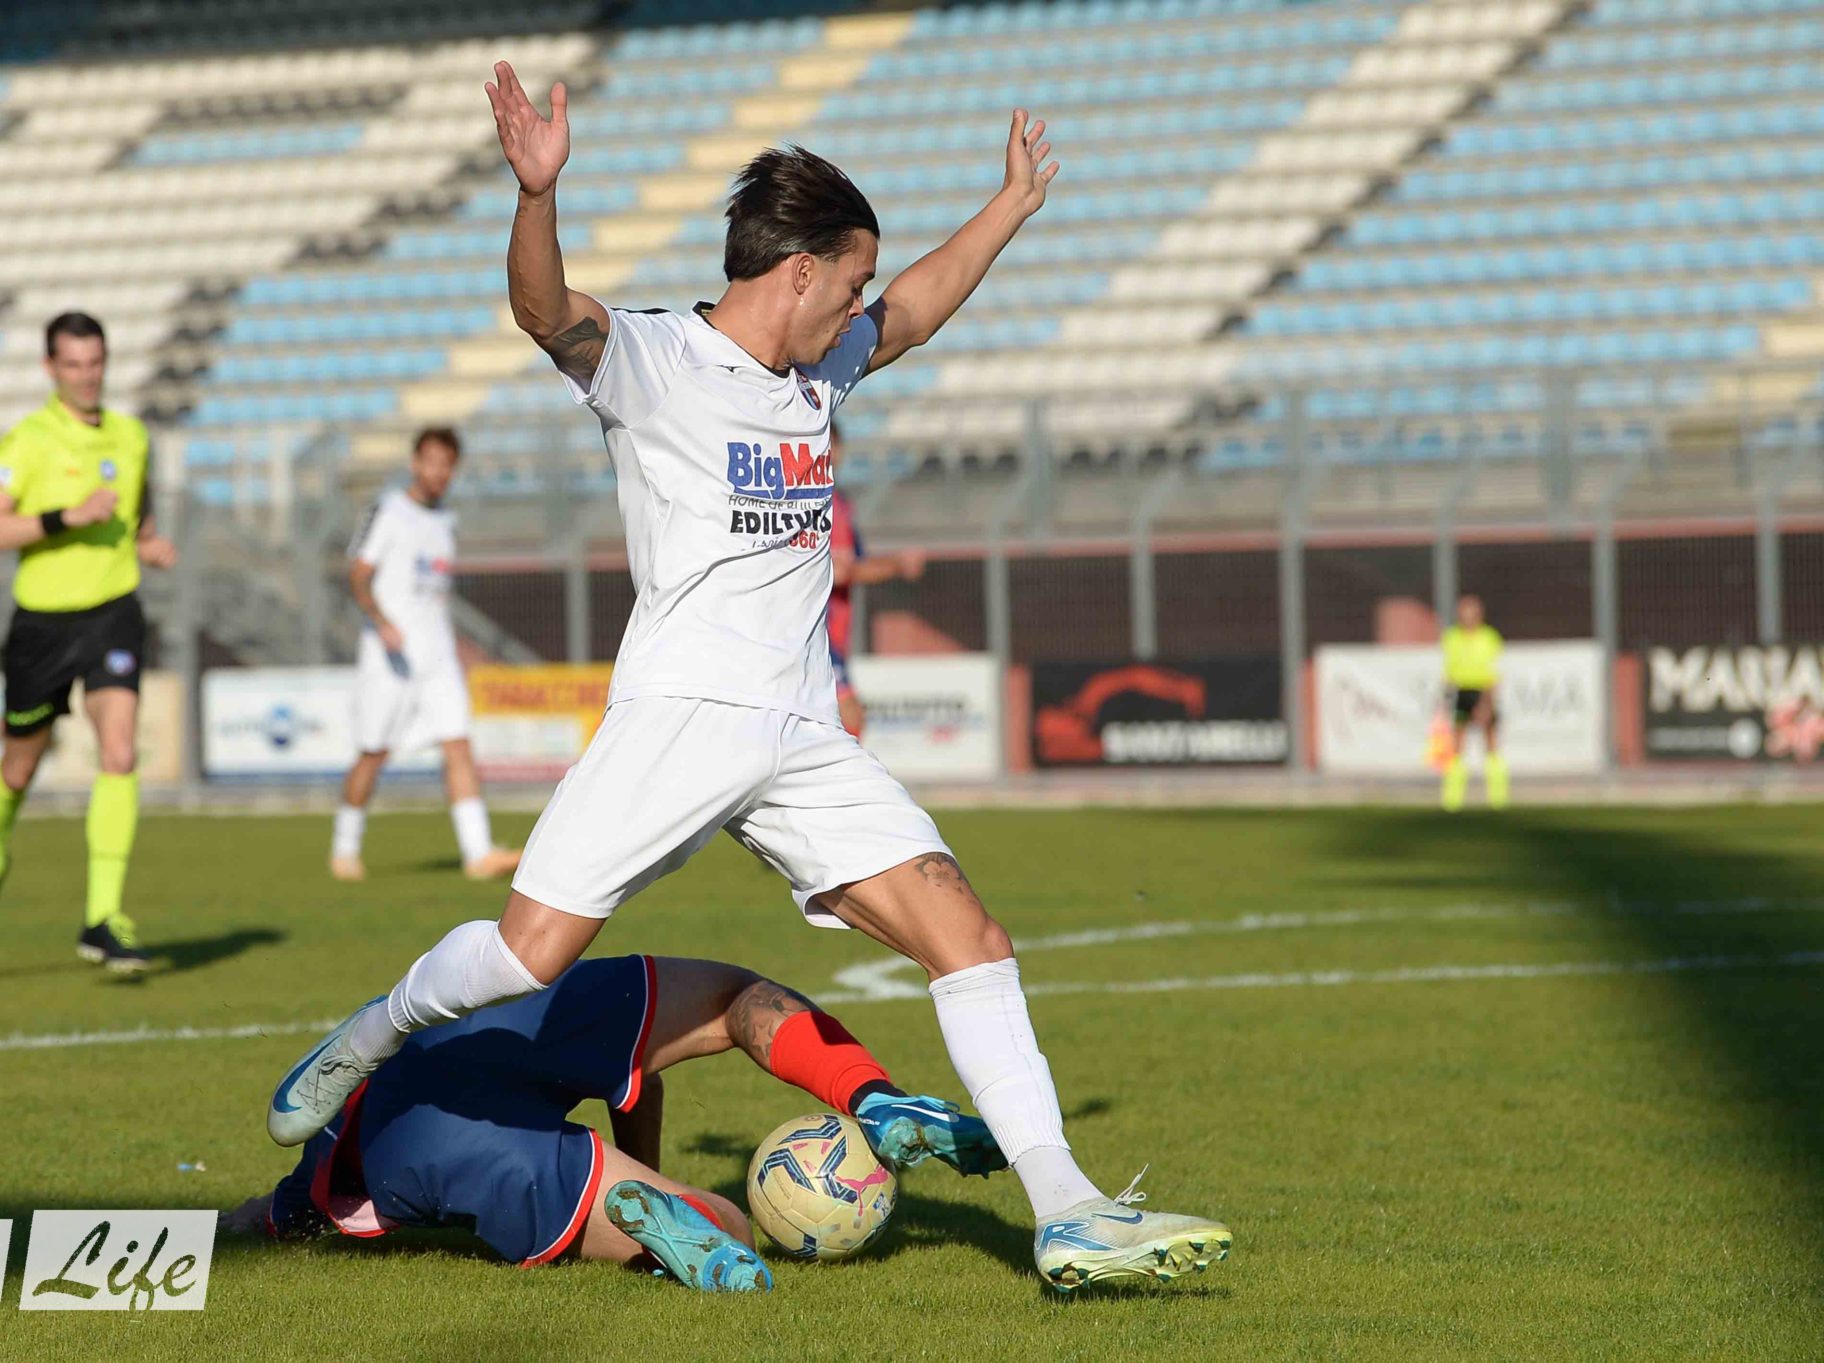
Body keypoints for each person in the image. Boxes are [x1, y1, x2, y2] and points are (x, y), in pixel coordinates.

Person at [269, 62, 1233, 1291]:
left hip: (800, 732)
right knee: (523, 959)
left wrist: (1008, 208)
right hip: (678, 717)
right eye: (851, 282)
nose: (861, 306)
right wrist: (536, 194)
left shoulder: (817, 372)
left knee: (969, 934)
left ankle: (1070, 1212)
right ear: (799, 273)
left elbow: (918, 310)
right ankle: (371, 1031)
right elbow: (544, 310)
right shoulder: (657, 361)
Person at [233, 956, 1000, 1292]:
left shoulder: (336, 1130)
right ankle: (873, 1095)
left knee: (719, 1225)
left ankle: (658, 1213)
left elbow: (277, 1213)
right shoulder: (461, 996)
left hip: (425, 1141)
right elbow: (641, 1084)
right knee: (737, 998)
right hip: (507, 1017)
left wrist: (237, 1223)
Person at [0, 312, 176, 973]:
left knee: (119, 749)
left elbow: (139, 512)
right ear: (50, 368)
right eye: (73, 364)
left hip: (113, 613)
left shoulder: (132, 436)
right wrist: (64, 517)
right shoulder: (26, 441)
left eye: (95, 362)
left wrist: (147, 542)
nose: (86, 376)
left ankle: (102, 918)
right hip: (42, 625)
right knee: (18, 769)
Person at [329, 426, 524, 882]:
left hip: (437, 657)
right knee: (373, 752)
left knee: (458, 744)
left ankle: (478, 853)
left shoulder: (446, 522)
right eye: (431, 461)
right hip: (390, 657)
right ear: (415, 463)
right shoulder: (389, 510)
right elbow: (358, 574)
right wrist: (381, 621)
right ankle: (344, 849)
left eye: (447, 464)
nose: (438, 472)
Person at [826, 423, 925, 737]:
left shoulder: (841, 504)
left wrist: (892, 564)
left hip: (837, 632)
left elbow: (857, 563)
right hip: (816, 632)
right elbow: (839, 572)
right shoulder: (812, 504)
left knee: (836, 720)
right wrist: (897, 565)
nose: (830, 453)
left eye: (834, 446)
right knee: (850, 715)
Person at [1441, 594, 1508, 812]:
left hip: (1483, 692)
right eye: (1463, 613)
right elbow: (1449, 671)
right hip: (1462, 693)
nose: (1467, 618)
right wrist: (1445, 699)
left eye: (1471, 613)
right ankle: (1453, 799)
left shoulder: (1489, 638)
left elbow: (1494, 671)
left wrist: (1487, 702)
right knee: (1457, 744)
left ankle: (1498, 797)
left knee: (1491, 741)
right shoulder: (1452, 637)